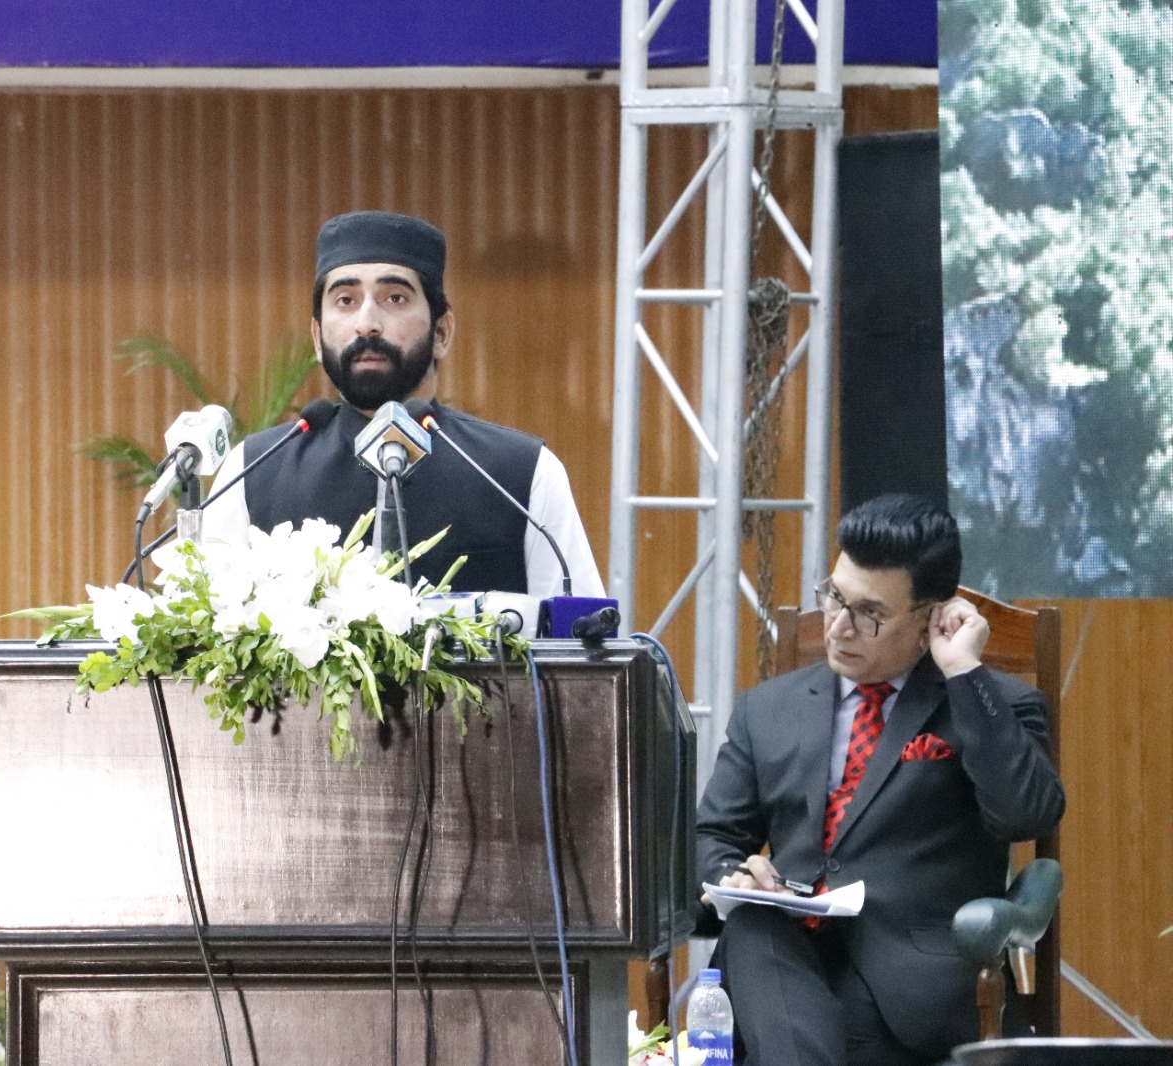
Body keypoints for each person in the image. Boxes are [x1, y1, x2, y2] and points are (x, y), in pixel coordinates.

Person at [696, 493, 1064, 1066]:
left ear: (929, 619)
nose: (838, 627)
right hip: (781, 966)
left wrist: (963, 672)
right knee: (750, 925)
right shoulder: (765, 710)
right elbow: (712, 838)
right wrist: (737, 876)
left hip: (910, 989)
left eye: (868, 614)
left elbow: (1027, 815)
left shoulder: (991, 704)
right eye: (834, 597)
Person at [203, 209, 604, 598]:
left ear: (441, 333)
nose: (367, 323)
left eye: (394, 298)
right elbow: (203, 627)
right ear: (317, 337)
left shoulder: (522, 472)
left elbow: (581, 632)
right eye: (345, 300)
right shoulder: (252, 471)